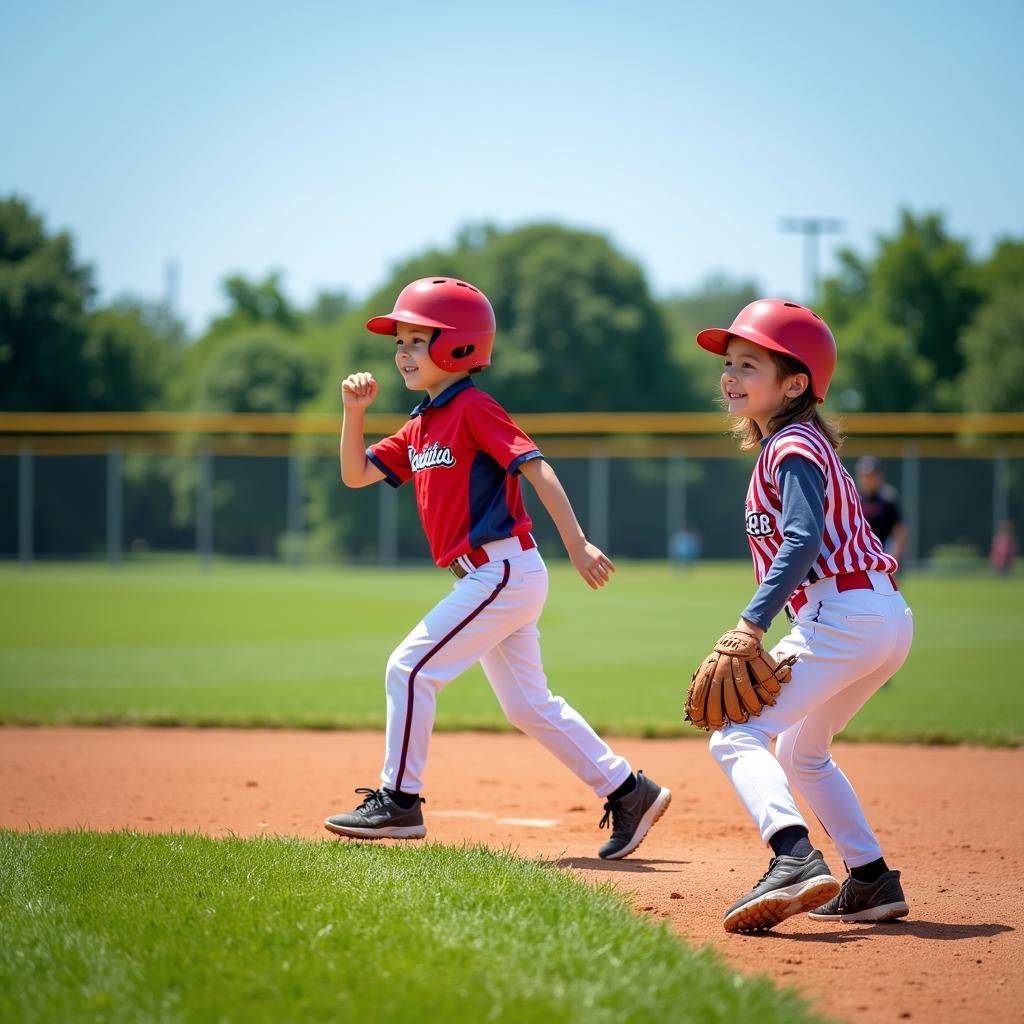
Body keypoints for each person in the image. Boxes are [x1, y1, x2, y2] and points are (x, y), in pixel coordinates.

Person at [325, 277, 670, 859]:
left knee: (409, 669)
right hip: (491, 577)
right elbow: (356, 473)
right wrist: (353, 412)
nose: (402, 351)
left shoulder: (473, 407)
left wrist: (578, 543)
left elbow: (537, 469)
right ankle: (629, 791)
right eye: (399, 341)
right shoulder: (422, 421)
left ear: (458, 347)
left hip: (502, 571)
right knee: (527, 706)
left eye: (416, 339)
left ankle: (399, 802)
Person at [692, 298, 914, 932]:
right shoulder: (793, 444)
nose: (730, 375)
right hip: (877, 616)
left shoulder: (791, 444)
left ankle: (792, 858)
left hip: (841, 614)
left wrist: (751, 624)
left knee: (736, 733)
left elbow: (803, 537)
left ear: (795, 384)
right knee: (802, 751)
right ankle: (870, 879)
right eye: (729, 363)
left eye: (749, 365)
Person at [855, 456, 908, 563]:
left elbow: (900, 532)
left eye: (871, 475)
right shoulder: (853, 497)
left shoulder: (888, 497)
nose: (867, 479)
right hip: (859, 555)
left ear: (879, 475)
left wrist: (893, 559)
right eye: (864, 476)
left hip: (884, 552)